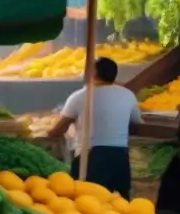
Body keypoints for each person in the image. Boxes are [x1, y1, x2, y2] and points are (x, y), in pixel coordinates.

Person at [48, 56, 142, 199]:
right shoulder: (128, 95)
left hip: (91, 156)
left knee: (86, 201)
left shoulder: (79, 96)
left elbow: (56, 131)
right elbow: (136, 124)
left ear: (93, 73)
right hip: (120, 157)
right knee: (120, 203)